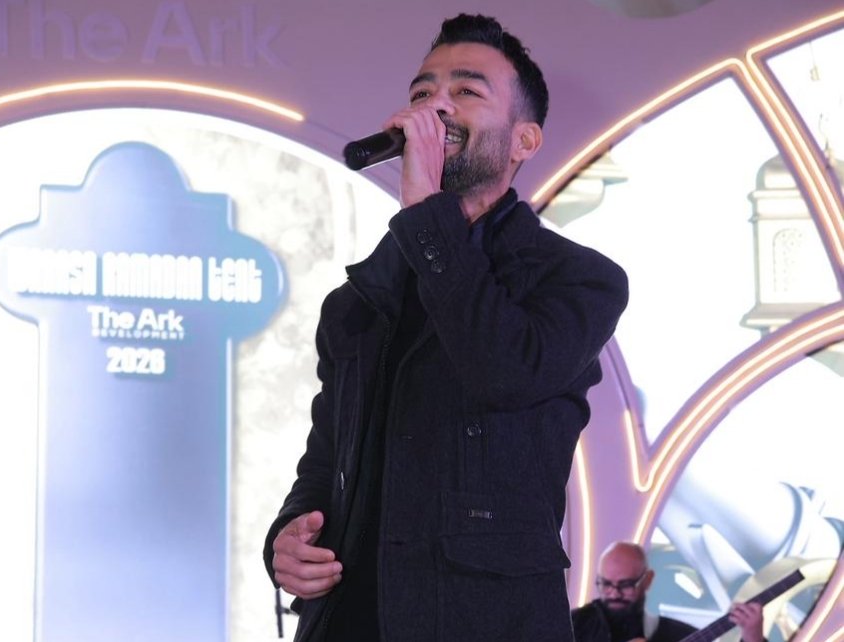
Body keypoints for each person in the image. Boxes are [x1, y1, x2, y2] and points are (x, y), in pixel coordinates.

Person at [263, 13, 629, 642]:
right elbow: (327, 458)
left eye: (466, 91)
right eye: (422, 92)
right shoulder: (358, 301)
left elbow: (502, 371)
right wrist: (290, 534)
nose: (436, 107)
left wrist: (427, 213)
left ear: (524, 141)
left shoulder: (578, 280)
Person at [571, 542, 766, 642]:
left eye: (625, 585)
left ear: (647, 579)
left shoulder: (676, 634)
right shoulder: (571, 625)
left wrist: (753, 637)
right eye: (605, 584)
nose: (614, 593)